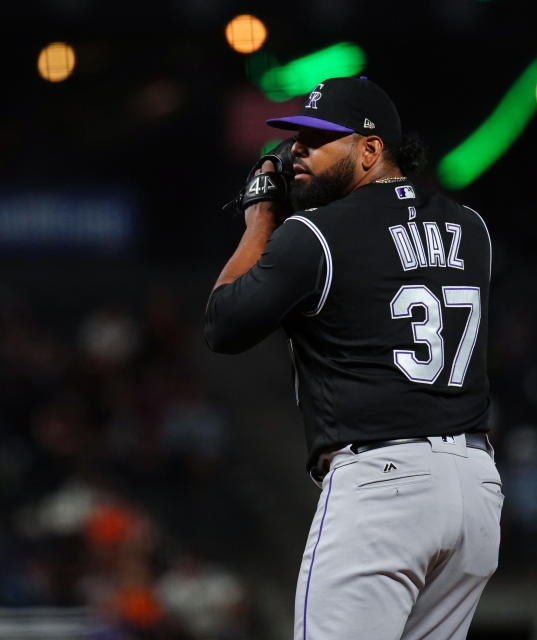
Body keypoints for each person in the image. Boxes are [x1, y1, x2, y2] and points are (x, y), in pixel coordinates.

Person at [204, 76, 502, 640]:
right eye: (296, 139)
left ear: (371, 149)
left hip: (383, 487)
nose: (297, 151)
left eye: (317, 139)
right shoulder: (472, 228)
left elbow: (223, 324)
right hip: (474, 488)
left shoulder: (314, 234)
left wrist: (260, 220)